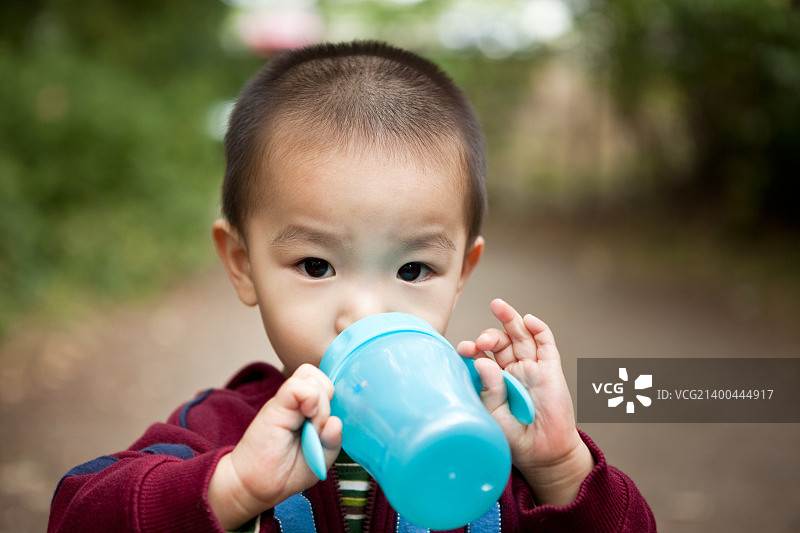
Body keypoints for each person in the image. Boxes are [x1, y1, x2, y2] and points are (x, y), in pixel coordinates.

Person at [48, 40, 656, 532]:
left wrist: (559, 467)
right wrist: (231, 489)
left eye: (413, 270)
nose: (364, 312)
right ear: (241, 263)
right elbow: (77, 513)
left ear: (461, 274)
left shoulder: (499, 444)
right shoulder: (219, 434)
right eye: (316, 266)